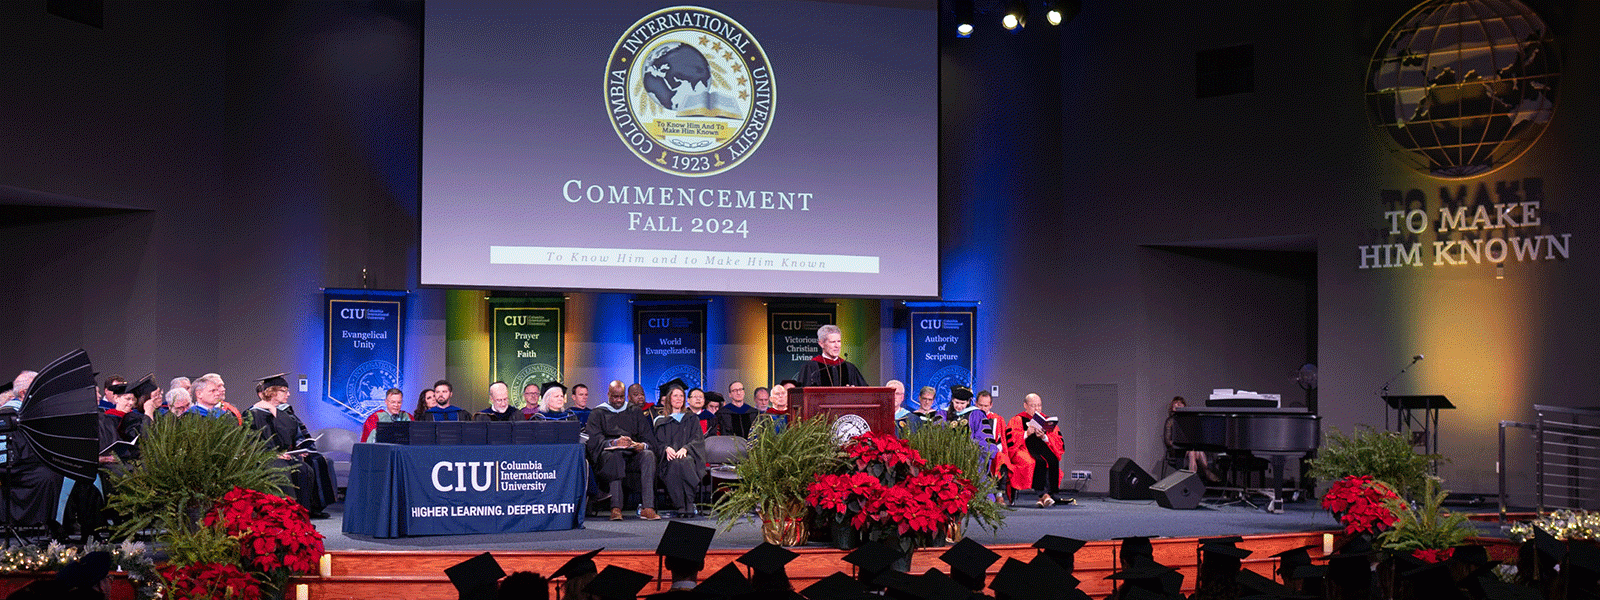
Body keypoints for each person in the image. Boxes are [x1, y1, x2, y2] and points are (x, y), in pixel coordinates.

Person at [245, 374, 334, 518]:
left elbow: (288, 435)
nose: (289, 394)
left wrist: (296, 450)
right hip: (263, 458)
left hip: (283, 455)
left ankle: (302, 517)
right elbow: (250, 443)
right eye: (284, 390)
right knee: (281, 469)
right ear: (272, 392)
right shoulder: (252, 414)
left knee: (304, 469)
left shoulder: (282, 413)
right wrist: (273, 454)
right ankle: (284, 517)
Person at [583, 381, 660, 521]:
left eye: (621, 397)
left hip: (632, 455)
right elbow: (593, 441)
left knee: (648, 455)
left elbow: (649, 438)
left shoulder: (634, 411)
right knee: (615, 455)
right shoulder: (598, 412)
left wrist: (641, 445)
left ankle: (648, 507)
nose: (618, 400)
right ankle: (616, 508)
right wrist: (614, 443)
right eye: (614, 397)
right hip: (608, 456)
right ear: (608, 395)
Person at [652, 384, 705, 518]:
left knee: (685, 461)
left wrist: (686, 448)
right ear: (669, 399)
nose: (678, 398)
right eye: (675, 395)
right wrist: (666, 448)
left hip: (689, 457)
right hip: (669, 459)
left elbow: (698, 439)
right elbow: (657, 443)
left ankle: (689, 503)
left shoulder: (692, 419)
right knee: (675, 463)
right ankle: (681, 505)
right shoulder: (662, 421)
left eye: (681, 396)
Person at [1005, 393, 1064, 507]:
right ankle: (1044, 496)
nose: (1037, 408)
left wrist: (1044, 437)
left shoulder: (1047, 420)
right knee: (1035, 462)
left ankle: (1044, 497)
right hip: (1023, 449)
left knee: (1051, 461)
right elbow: (1011, 440)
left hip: (1042, 449)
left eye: (1039, 405)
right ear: (1025, 405)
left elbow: (1058, 440)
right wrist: (1027, 433)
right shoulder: (1017, 419)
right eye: (1033, 406)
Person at [794, 324, 868, 387]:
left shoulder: (849, 368)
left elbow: (865, 392)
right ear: (821, 344)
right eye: (832, 342)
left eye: (839, 341)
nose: (837, 345)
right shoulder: (811, 367)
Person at [1166, 396, 1218, 482]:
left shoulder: (1187, 420)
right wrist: (1180, 444)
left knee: (1194, 451)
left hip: (1189, 448)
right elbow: (1168, 441)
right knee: (1192, 451)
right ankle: (1206, 472)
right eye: (1176, 402)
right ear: (1172, 406)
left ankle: (1193, 479)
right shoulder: (1170, 421)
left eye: (1181, 403)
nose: (1178, 404)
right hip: (1176, 449)